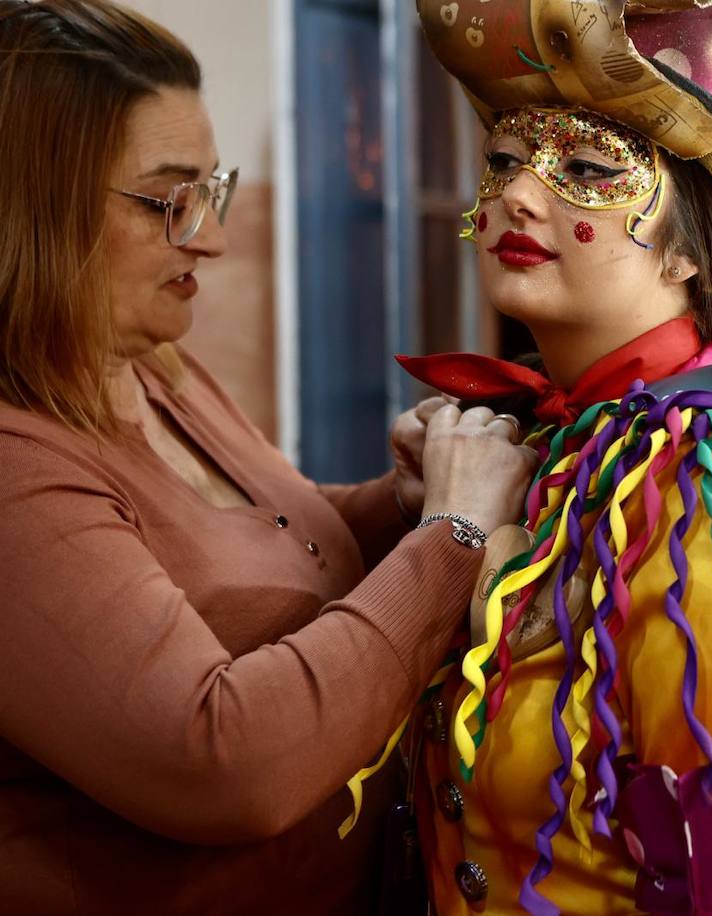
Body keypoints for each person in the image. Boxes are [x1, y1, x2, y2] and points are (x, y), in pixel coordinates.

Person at [364, 1, 712, 913]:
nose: (520, 195)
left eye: (588, 170)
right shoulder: (557, 447)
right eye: (505, 161)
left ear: (688, 250)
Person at [0, 2, 536, 913]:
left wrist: (402, 500)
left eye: (212, 189)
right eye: (168, 200)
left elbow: (259, 540)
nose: (210, 236)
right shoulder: (18, 471)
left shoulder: (149, 365)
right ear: (33, 206)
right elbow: (224, 761)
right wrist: (450, 537)